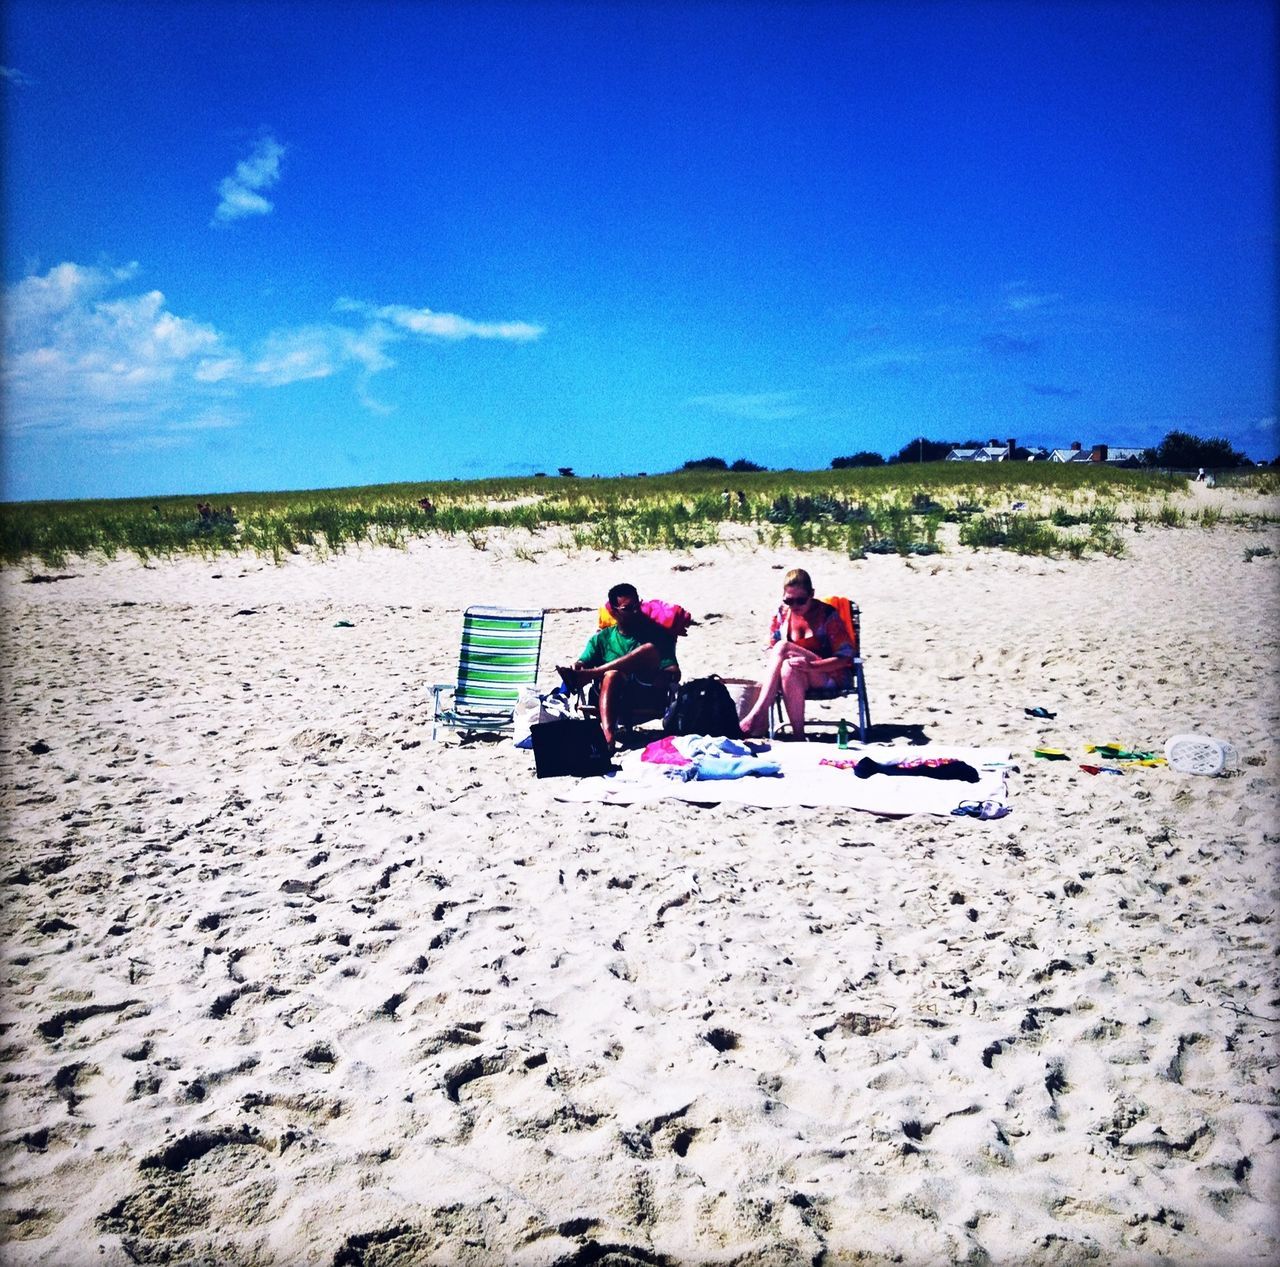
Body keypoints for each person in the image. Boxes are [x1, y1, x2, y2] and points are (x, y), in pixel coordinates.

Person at [557, 583, 680, 747]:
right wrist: (578, 666)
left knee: (649, 649)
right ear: (614, 612)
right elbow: (582, 662)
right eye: (628, 608)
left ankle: (592, 674)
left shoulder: (656, 634)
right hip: (610, 695)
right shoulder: (602, 639)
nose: (635, 611)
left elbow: (674, 672)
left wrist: (665, 675)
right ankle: (608, 737)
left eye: (638, 605)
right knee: (612, 675)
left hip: (645, 694)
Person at [738, 568, 854, 740]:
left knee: (783, 646)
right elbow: (770, 649)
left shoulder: (827, 615)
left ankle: (758, 713)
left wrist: (812, 666)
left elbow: (845, 657)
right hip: (797, 676)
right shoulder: (783, 614)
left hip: (828, 674)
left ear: (812, 594)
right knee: (786, 667)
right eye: (789, 600)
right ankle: (799, 737)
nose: (795, 606)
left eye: (801, 600)